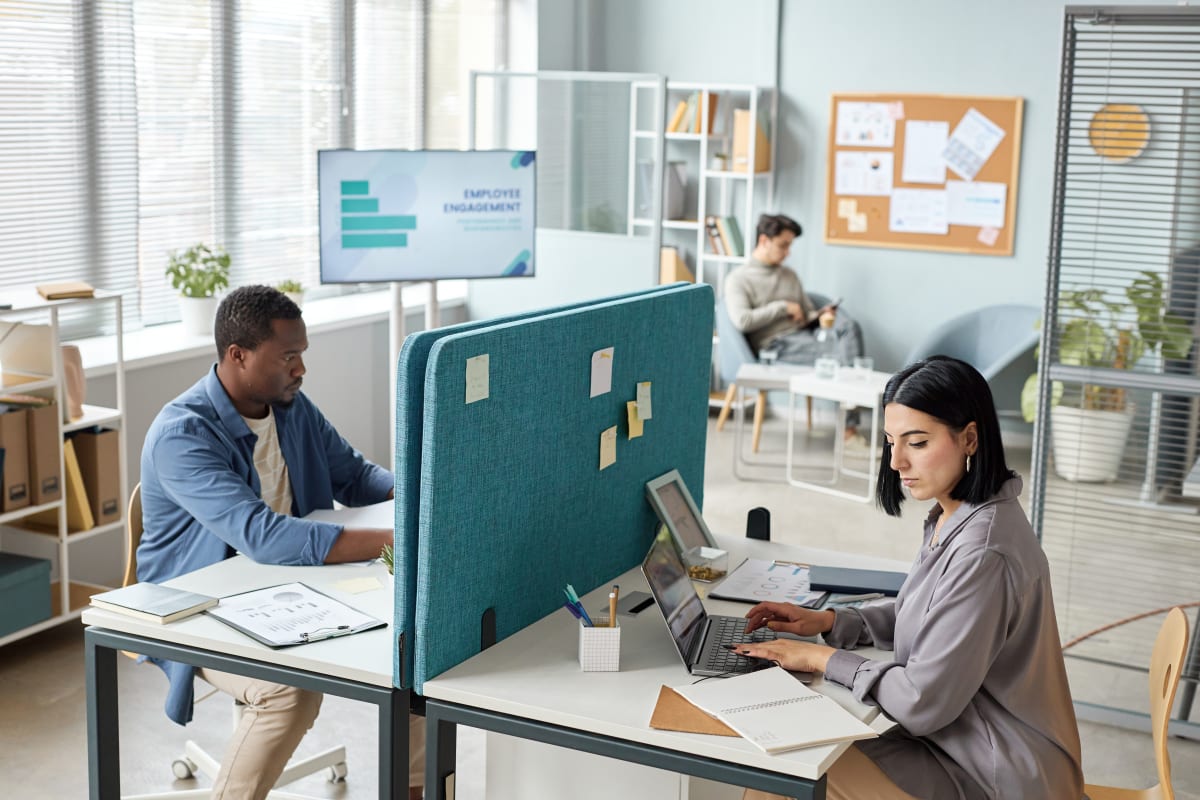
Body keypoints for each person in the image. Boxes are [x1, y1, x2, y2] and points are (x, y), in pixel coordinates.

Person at [735, 356, 1083, 800]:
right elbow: (928, 618)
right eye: (890, 441)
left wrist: (820, 659)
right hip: (959, 746)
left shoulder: (984, 551)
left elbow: (920, 702)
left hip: (997, 775)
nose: (897, 461)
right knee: (788, 758)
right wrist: (828, 623)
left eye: (916, 443)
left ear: (969, 438)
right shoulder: (956, 516)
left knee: (786, 767)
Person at [138, 285, 424, 800]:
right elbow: (262, 537)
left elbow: (355, 476)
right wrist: (399, 540)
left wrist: (423, 498)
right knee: (287, 690)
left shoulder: (290, 407)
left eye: (302, 355)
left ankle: (417, 788)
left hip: (287, 586)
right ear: (238, 355)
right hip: (195, 606)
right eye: (288, 356)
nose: (300, 369)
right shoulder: (183, 435)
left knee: (414, 651)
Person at [723, 213, 865, 436]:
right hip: (776, 346)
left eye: (790, 246)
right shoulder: (739, 279)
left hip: (805, 337)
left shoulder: (789, 275)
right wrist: (783, 307)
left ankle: (850, 422)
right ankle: (850, 430)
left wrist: (819, 315)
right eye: (783, 245)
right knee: (838, 358)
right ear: (763, 241)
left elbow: (806, 313)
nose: (788, 252)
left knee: (850, 328)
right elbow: (742, 321)